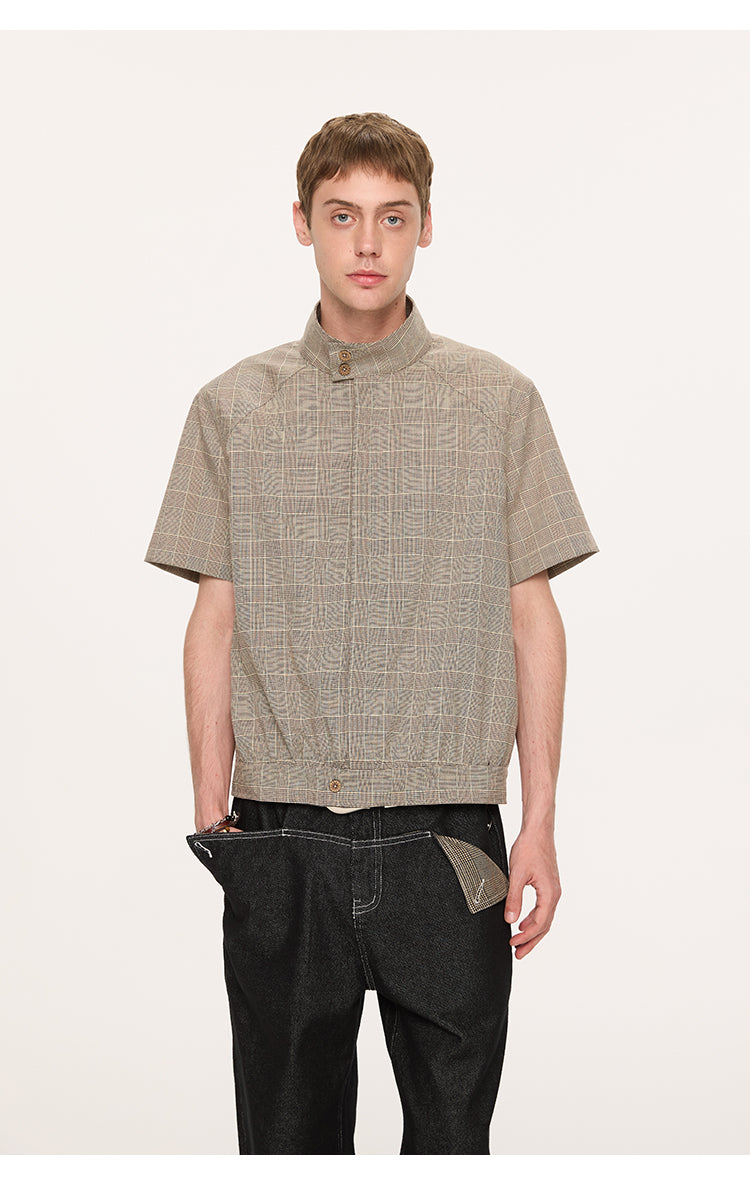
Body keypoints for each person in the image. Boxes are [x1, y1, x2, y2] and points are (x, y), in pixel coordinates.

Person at [145, 112, 599, 1155]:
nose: (367, 243)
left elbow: (533, 614)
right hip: (281, 833)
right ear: (301, 222)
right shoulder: (232, 408)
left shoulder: (497, 403)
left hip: (451, 838)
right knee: (286, 1144)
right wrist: (213, 808)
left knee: (452, 1142)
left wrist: (539, 819)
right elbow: (214, 613)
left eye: (392, 218)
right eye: (342, 215)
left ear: (425, 227)